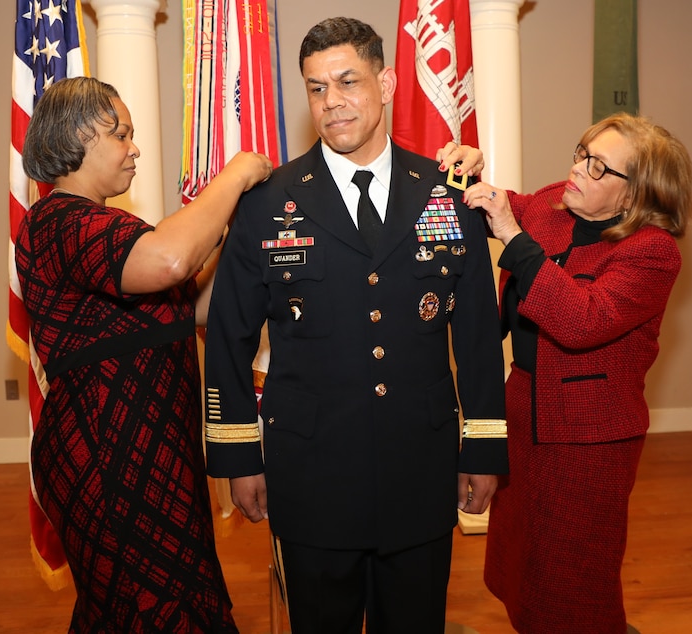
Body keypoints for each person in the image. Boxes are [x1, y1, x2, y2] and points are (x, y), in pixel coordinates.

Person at [203, 17, 507, 634]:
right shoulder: (267, 200)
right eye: (317, 88)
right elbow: (229, 338)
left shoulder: (446, 194)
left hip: (418, 467)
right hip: (311, 471)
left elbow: (476, 334)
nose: (331, 102)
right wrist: (240, 458)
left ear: (388, 81)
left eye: (348, 81)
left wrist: (482, 446)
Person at [15, 76, 272, 633]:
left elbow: (195, 304)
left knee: (169, 602)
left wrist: (241, 227)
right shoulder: (59, 220)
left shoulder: (106, 224)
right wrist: (234, 176)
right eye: (122, 134)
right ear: (81, 136)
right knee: (144, 609)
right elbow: (171, 263)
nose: (134, 148)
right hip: (108, 457)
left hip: (150, 451)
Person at [455, 112, 692, 633]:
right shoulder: (553, 203)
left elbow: (584, 319)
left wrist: (515, 242)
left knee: (574, 580)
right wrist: (472, 173)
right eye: (581, 153)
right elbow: (502, 205)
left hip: (587, 441)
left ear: (635, 195)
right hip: (523, 417)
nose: (578, 170)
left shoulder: (652, 253)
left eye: (599, 166)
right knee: (524, 564)